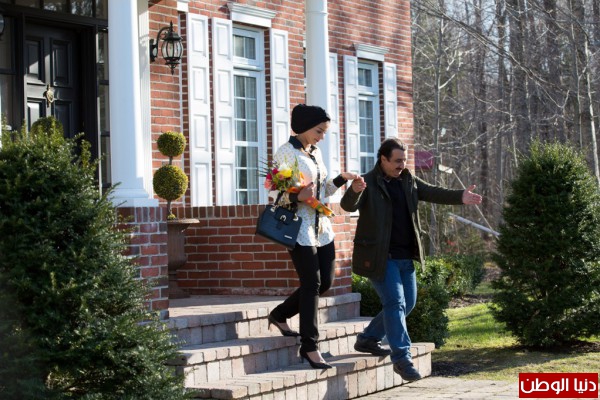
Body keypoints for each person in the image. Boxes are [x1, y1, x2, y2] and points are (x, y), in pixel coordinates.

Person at [340, 137, 482, 381]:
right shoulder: (368, 182)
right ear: (383, 159)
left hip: (406, 256)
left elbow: (433, 192)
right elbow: (347, 206)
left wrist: (461, 196)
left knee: (408, 303)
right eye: (397, 161)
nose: (402, 165)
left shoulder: (408, 180)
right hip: (380, 257)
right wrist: (354, 190)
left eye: (404, 160)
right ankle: (402, 358)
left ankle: (367, 338)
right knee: (395, 303)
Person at [267, 104, 359, 369]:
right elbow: (274, 192)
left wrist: (342, 179)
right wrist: (297, 196)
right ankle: (309, 346)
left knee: (325, 282)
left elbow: (323, 191)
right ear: (305, 127)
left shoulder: (315, 153)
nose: (322, 136)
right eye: (319, 131)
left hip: (321, 227)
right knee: (311, 284)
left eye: (324, 131)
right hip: (298, 228)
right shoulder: (285, 152)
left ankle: (279, 314)